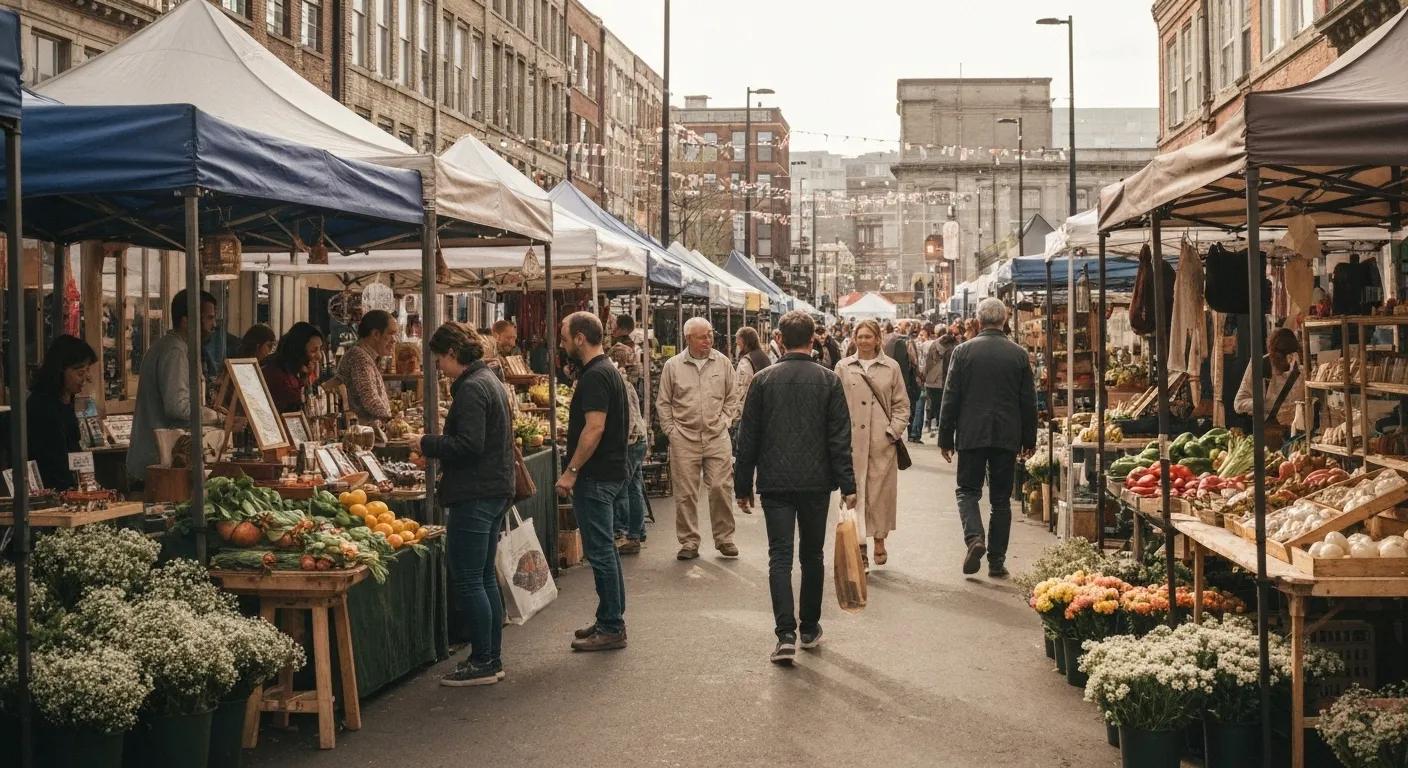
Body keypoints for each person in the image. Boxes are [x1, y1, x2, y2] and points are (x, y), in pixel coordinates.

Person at [735, 310, 857, 666]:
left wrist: (742, 484)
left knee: (780, 556)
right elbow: (839, 439)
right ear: (813, 339)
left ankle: (784, 634)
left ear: (780, 340)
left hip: (774, 482)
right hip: (816, 482)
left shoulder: (762, 380)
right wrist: (848, 484)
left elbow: (748, 439)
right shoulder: (829, 381)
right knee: (813, 555)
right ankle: (809, 627)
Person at [407, 323, 513, 686]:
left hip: (475, 492)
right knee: (482, 576)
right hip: (492, 489)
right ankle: (490, 656)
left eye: (438, 357)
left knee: (470, 578)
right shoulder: (489, 381)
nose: (437, 365)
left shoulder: (471, 388)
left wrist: (427, 443)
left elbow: (469, 444)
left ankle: (484, 659)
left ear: (452, 353)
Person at [938, 298, 1037, 578]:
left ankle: (974, 538)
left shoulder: (963, 352)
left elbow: (951, 397)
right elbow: (1028, 401)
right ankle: (996, 561)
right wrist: (1029, 439)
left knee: (967, 491)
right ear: (1004, 320)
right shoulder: (1018, 354)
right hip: (1007, 434)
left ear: (979, 320)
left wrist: (946, 437)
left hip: (971, 433)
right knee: (1001, 500)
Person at [556, 311, 630, 652]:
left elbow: (595, 427)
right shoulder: (603, 371)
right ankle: (608, 619)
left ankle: (612, 626)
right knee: (605, 552)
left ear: (580, 338)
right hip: (607, 472)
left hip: (597, 476)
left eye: (564, 336)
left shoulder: (596, 376)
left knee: (600, 553)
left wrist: (571, 471)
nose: (561, 342)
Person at [656, 316, 741, 560]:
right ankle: (689, 541)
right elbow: (663, 403)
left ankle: (725, 538)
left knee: (720, 487)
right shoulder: (673, 366)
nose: (708, 340)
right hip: (684, 436)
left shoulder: (723, 363)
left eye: (710, 334)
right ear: (688, 338)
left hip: (716, 436)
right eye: (702, 336)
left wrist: (725, 420)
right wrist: (671, 431)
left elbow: (732, 396)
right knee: (685, 492)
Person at [836, 319, 910, 567]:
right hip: (852, 444)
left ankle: (879, 538)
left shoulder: (891, 367)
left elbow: (902, 404)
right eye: (860, 336)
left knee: (879, 496)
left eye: (869, 336)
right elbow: (835, 405)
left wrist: (892, 432)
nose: (864, 340)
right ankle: (860, 548)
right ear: (854, 338)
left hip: (882, 444)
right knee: (853, 495)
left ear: (878, 339)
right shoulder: (844, 367)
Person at [127, 290, 220, 484]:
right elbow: (177, 407)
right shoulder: (175, 351)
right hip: (159, 463)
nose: (214, 325)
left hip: (159, 462)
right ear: (187, 321)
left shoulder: (171, 346)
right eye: (209, 318)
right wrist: (216, 417)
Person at [28, 335, 97, 490]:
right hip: (51, 490)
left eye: (87, 371)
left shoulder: (67, 399)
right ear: (60, 370)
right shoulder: (42, 406)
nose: (87, 378)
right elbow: (53, 462)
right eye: (80, 373)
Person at [1235, 327, 1302, 442]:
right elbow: (1238, 404)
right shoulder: (1260, 365)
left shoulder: (1300, 367)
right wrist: (1260, 403)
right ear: (1272, 353)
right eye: (1280, 358)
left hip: (1297, 434)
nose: (1286, 363)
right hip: (1270, 435)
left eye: (1290, 358)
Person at [333, 310, 398, 427]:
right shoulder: (359, 357)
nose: (394, 340)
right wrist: (393, 422)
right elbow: (370, 400)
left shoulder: (364, 355)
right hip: (364, 436)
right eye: (391, 333)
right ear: (376, 334)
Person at [612, 357, 649, 555]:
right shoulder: (625, 383)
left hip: (631, 442)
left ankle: (626, 534)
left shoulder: (620, 386)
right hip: (637, 440)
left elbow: (629, 417)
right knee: (633, 487)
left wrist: (623, 443)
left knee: (622, 489)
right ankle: (637, 531)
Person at [263, 322, 324, 414]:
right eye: (313, 350)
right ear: (299, 350)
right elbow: (296, 401)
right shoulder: (276, 371)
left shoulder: (295, 370)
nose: (319, 356)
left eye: (320, 349)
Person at [885, 320, 925, 444]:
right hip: (906, 380)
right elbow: (913, 362)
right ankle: (911, 434)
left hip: (891, 379)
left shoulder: (887, 342)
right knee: (909, 406)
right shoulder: (906, 342)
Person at [923, 327, 958, 436]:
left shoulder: (932, 346)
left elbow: (926, 364)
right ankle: (940, 427)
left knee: (932, 405)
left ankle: (931, 425)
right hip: (944, 382)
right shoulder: (953, 350)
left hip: (930, 381)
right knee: (944, 407)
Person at [734, 327, 770, 412]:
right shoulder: (765, 357)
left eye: (739, 343)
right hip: (765, 406)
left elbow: (742, 391)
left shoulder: (746, 361)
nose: (737, 345)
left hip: (751, 409)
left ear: (744, 341)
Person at [608, 314, 642, 388]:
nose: (612, 330)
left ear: (623, 330)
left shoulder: (620, 349)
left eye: (616, 327)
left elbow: (616, 375)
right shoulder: (634, 346)